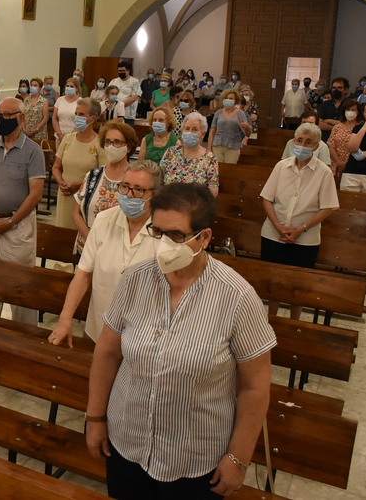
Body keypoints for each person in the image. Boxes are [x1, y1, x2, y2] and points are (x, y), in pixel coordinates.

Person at [86, 183, 275, 499]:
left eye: (175, 235)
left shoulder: (237, 297)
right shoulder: (135, 279)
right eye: (157, 232)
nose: (163, 245)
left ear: (204, 238)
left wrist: (238, 458)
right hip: (128, 442)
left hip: (193, 457)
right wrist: (94, 418)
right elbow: (107, 352)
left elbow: (256, 386)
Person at [49, 160, 163, 347]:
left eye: (139, 190)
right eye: (125, 187)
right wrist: (65, 318)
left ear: (156, 194)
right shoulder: (104, 220)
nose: (129, 194)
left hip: (145, 337)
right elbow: (83, 274)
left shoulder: (166, 229)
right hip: (99, 329)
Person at [0, 97, 46, 325]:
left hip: (16, 226)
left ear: (20, 118)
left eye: (8, 116)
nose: (2, 120)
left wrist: (11, 222)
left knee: (19, 284)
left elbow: (35, 194)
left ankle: (25, 334)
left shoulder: (33, 151)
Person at [261, 123, 339, 319]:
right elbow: (267, 199)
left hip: (305, 238)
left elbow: (328, 207)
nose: (303, 145)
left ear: (316, 146)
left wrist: (301, 228)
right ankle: (272, 319)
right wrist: (278, 226)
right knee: (274, 282)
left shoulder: (323, 172)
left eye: (308, 142)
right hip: (273, 233)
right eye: (299, 140)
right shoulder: (281, 166)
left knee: (299, 285)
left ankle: (294, 322)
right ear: (293, 142)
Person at [73, 122, 139, 253]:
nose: (111, 146)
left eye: (117, 142)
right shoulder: (93, 175)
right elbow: (76, 213)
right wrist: (90, 238)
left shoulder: (135, 179)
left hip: (118, 250)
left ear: (129, 147)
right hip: (88, 247)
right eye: (108, 142)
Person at [53, 98, 106, 229]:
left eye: (81, 114)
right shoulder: (67, 139)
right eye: (76, 114)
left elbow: (102, 175)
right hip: (65, 194)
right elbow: (56, 167)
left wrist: (80, 185)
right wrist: (61, 182)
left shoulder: (100, 143)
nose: (77, 117)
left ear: (92, 119)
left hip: (85, 197)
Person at [161, 112, 219, 197]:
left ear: (203, 134)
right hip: (169, 201)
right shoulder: (171, 152)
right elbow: (158, 179)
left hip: (194, 206)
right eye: (187, 129)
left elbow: (213, 191)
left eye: (195, 129)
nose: (190, 132)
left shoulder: (210, 158)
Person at [208, 89, 252, 164]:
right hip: (217, 145)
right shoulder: (218, 113)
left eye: (231, 98)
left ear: (235, 101)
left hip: (233, 147)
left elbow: (247, 133)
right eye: (226, 98)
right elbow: (212, 131)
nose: (228, 100)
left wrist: (247, 127)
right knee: (217, 169)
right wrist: (209, 148)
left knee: (229, 170)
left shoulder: (240, 113)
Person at [327, 100, 362, 177]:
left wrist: (346, 163)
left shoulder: (360, 129)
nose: (350, 112)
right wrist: (338, 162)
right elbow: (331, 145)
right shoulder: (337, 127)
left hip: (352, 164)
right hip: (335, 163)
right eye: (348, 110)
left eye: (353, 110)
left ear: (358, 112)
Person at [317, 77, 351, 142]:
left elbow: (349, 125)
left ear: (345, 90)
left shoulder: (350, 105)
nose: (336, 90)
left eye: (339, 88)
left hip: (343, 141)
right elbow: (319, 124)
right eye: (334, 88)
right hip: (325, 139)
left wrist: (328, 120)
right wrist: (336, 127)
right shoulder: (325, 104)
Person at [109, 62, 141, 126]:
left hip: (127, 115)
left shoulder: (134, 81)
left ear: (128, 71)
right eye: (119, 71)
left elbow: (134, 97)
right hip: (114, 113)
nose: (121, 72)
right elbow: (108, 95)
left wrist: (120, 106)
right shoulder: (114, 81)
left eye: (123, 71)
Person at [53, 77, 82, 142]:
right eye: (67, 86)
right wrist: (59, 134)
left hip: (74, 136)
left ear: (76, 88)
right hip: (59, 136)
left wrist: (71, 135)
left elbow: (81, 120)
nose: (69, 88)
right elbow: (54, 118)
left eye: (71, 86)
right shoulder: (60, 100)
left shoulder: (81, 102)